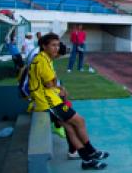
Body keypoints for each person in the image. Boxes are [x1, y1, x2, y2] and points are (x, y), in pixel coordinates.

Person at [29, 33, 108, 170]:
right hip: (49, 103)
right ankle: (91, 151)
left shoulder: (44, 58)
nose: (56, 48)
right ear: (44, 46)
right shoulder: (42, 61)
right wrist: (58, 88)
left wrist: (57, 86)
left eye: (57, 45)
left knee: (70, 127)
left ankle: (87, 160)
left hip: (49, 100)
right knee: (79, 121)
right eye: (53, 45)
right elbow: (49, 84)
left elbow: (52, 82)